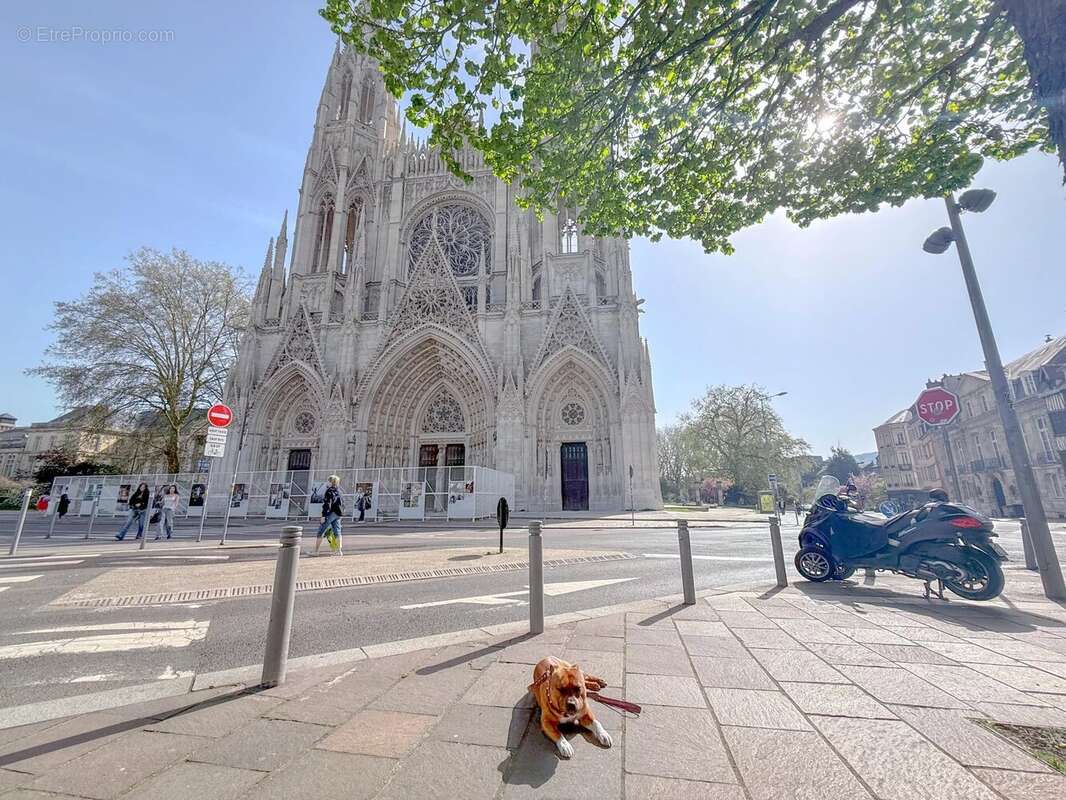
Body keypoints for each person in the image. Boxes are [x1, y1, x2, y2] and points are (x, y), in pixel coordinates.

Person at [312, 474, 343, 557]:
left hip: (330, 513)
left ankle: (316, 551)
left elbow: (327, 504)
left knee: (320, 531)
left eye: (328, 481)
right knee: (337, 532)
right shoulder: (339, 491)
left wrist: (323, 516)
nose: (327, 482)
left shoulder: (329, 491)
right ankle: (339, 551)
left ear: (330, 482)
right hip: (338, 513)